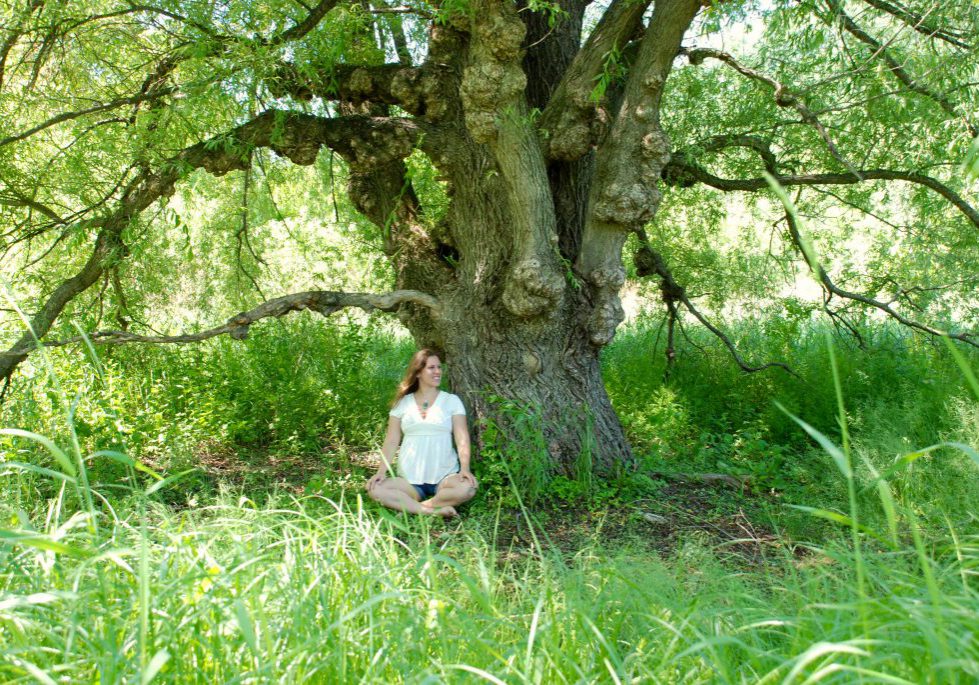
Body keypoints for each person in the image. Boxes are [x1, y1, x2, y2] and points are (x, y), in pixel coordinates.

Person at [366, 349, 477, 517]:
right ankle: (431, 511)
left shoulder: (451, 401)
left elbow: (461, 436)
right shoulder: (402, 403)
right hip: (409, 480)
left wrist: (465, 469)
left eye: (439, 367)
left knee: (468, 488)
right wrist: (381, 472)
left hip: (445, 477)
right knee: (375, 489)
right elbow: (391, 440)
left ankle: (414, 508)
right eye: (431, 368)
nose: (438, 371)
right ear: (418, 372)